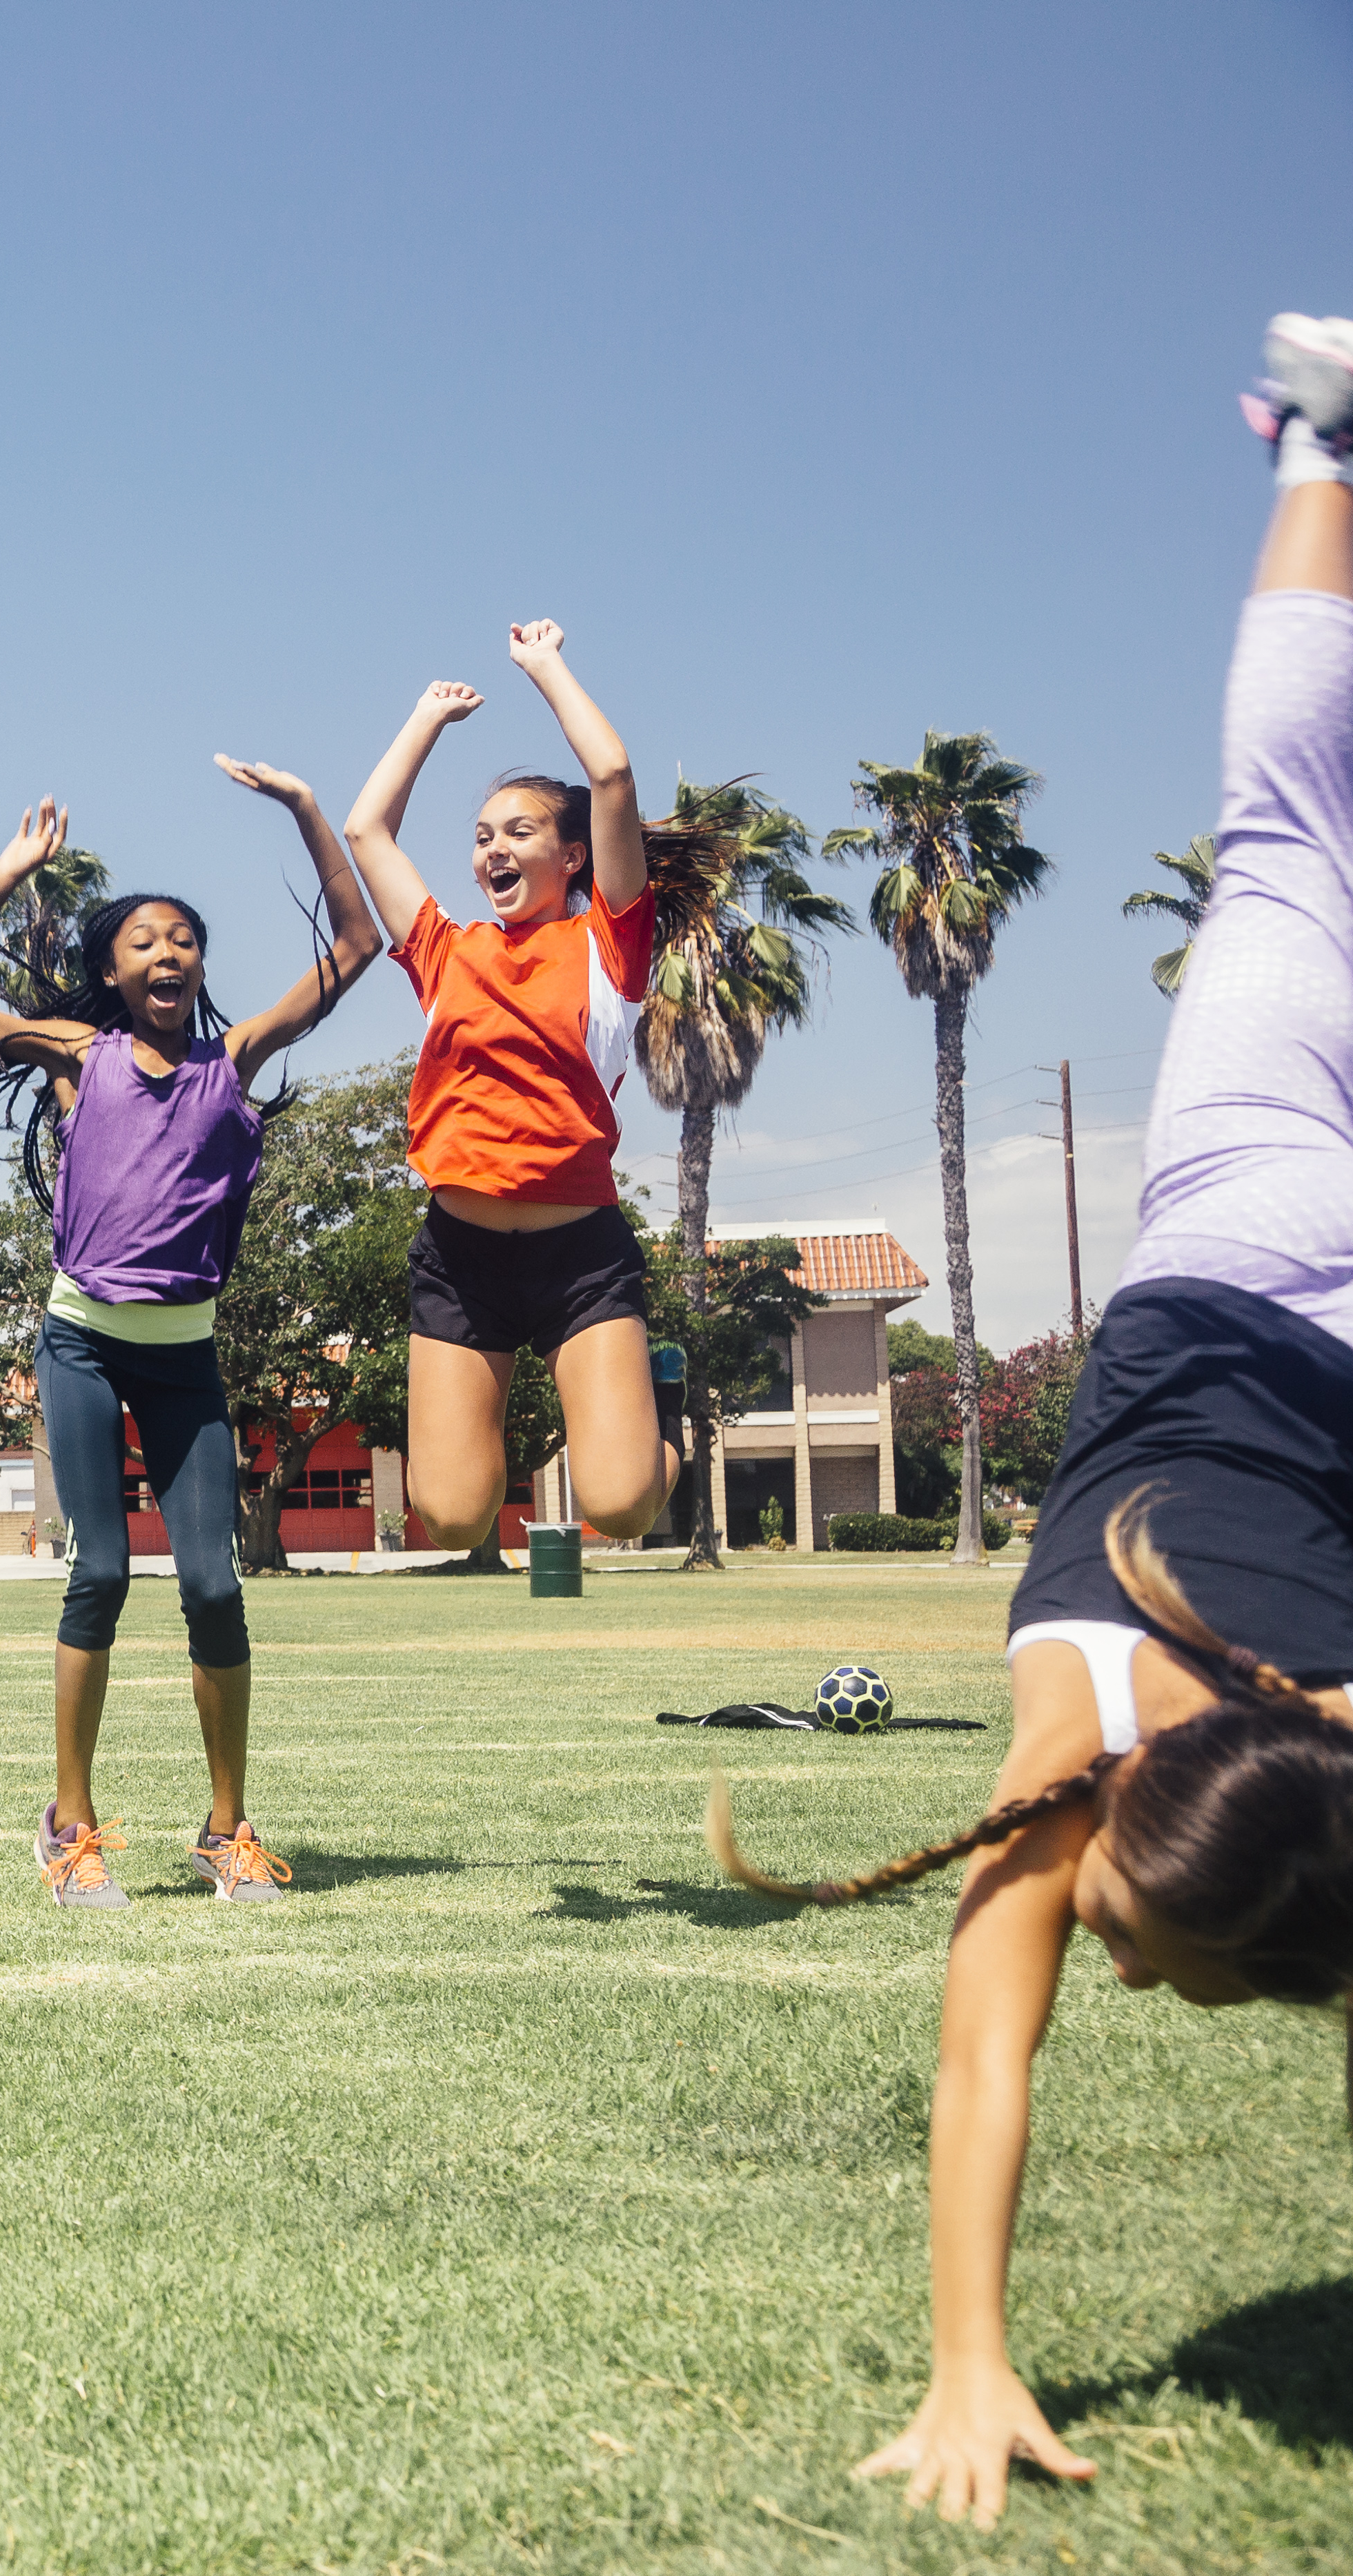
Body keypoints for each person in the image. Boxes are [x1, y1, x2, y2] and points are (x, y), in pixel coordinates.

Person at [711, 312, 1353, 2533]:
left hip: (1296, 1256)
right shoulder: (1078, 1725)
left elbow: (994, 2046)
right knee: (1281, 842)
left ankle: (1327, 434)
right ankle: (1327, 429)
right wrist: (965, 2359)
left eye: (1117, 1954)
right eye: (1139, 1941)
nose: (1106, 1963)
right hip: (1243, 1224)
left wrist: (972, 2367)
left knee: (1286, 847)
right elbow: (982, 2047)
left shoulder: (1221, 1749)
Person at [0, 766, 382, 1911]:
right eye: (143, 942)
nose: (167, 954)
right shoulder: (79, 1055)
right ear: (113, 972)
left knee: (215, 1586)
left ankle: (228, 1829)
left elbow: (359, 942)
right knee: (102, 1570)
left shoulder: (236, 1057)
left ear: (200, 967)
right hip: (82, 1343)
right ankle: (67, 1825)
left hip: (185, 1354)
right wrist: (8, 876)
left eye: (184, 941)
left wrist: (308, 810)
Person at [339, 622, 717, 1550]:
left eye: (518, 832)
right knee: (456, 1517)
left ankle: (655, 1425)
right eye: (481, 837)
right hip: (460, 1256)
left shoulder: (609, 946)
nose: (493, 850)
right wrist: (427, 717)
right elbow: (366, 830)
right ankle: (521, 1425)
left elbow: (614, 779)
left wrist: (544, 667)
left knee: (623, 1506)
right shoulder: (446, 952)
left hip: (578, 1258)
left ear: (573, 857)